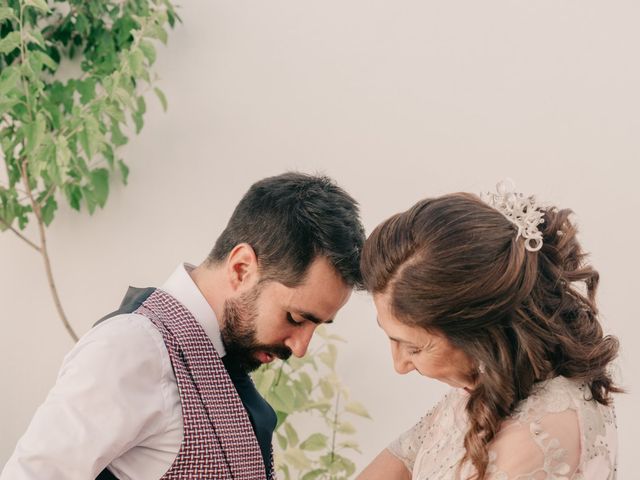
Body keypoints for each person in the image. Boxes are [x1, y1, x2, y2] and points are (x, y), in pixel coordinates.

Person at [1, 172, 365, 480]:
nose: (301, 347)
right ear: (241, 268)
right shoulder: (133, 348)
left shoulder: (219, 352)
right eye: (296, 319)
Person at [357, 181, 621, 480]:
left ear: (480, 335)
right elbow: (399, 461)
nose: (399, 365)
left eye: (415, 348)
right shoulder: (487, 388)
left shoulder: (537, 437)